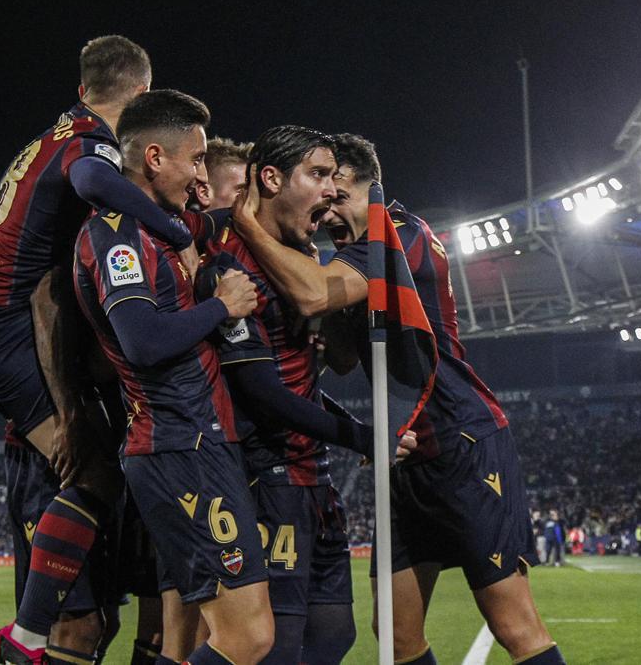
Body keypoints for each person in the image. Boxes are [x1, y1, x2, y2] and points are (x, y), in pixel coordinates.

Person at [230, 133, 563, 664]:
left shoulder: (399, 232)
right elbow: (339, 357)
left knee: (513, 624)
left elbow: (315, 291)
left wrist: (247, 224)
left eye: (329, 191)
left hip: (459, 438)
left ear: (353, 185)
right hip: (404, 450)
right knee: (396, 634)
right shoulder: (352, 252)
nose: (322, 208)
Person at [0, 35, 199, 664]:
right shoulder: (92, 144)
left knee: (99, 483)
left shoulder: (51, 135)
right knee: (92, 470)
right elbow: (91, 181)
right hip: (2, 329)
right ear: (142, 93)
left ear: (84, 87)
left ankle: (32, 634)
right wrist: (171, 227)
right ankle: (24, 637)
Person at [74, 89, 272, 665]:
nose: (200, 173)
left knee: (213, 635)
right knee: (248, 637)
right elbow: (141, 340)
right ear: (155, 157)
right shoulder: (115, 235)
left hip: (199, 440)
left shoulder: (164, 227)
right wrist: (222, 306)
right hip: (177, 443)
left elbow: (223, 218)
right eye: (195, 158)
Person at [203, 126, 414, 664]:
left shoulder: (294, 257)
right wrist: (364, 434)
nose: (329, 190)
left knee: (334, 633)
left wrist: (355, 436)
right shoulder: (233, 268)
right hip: (268, 477)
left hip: (310, 477)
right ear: (271, 179)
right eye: (318, 175)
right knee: (278, 646)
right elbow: (264, 394)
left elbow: (310, 377)